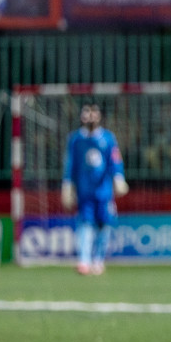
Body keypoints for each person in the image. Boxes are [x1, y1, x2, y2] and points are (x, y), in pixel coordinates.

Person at [61, 103, 127, 276]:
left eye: (93, 112)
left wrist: (118, 177)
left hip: (104, 191)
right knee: (85, 223)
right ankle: (84, 261)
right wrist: (67, 184)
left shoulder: (108, 138)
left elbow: (115, 160)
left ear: (99, 116)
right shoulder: (76, 139)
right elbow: (70, 163)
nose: (90, 116)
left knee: (104, 224)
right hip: (84, 191)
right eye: (87, 113)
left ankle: (98, 260)